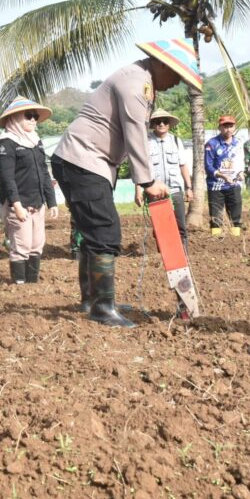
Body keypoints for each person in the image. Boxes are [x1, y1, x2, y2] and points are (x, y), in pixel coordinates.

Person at [52, 39, 200, 327]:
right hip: (82, 159)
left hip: (86, 161)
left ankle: (93, 301)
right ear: (161, 64)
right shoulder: (136, 85)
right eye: (176, 75)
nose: (176, 83)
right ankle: (101, 308)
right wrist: (147, 181)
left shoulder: (141, 80)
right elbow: (135, 134)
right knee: (105, 230)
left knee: (93, 230)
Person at [0, 97, 57, 284]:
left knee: (37, 245)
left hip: (37, 203)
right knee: (22, 245)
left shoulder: (36, 142)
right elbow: (7, 178)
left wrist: (51, 201)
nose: (33, 120)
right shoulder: (6, 143)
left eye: (35, 116)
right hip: (18, 204)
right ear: (15, 118)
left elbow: (44, 172)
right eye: (28, 116)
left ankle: (32, 284)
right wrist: (17, 205)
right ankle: (19, 285)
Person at [135, 108, 191, 255]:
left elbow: (183, 165)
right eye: (157, 121)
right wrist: (138, 190)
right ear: (152, 124)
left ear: (169, 124)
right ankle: (165, 257)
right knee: (161, 228)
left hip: (175, 189)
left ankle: (183, 256)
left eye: (164, 121)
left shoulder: (176, 141)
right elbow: (141, 168)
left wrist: (189, 187)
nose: (161, 124)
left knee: (180, 226)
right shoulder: (145, 143)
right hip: (155, 191)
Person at [204, 115, 245, 236]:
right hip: (216, 186)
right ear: (220, 127)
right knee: (216, 216)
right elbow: (208, 166)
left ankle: (235, 240)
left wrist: (241, 172)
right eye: (225, 126)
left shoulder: (238, 143)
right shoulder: (211, 144)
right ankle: (216, 240)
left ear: (234, 127)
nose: (228, 129)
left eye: (230, 126)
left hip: (233, 184)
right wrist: (222, 176)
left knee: (236, 215)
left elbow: (240, 162)